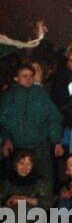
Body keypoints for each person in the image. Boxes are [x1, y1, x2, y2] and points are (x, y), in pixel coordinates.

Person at [0, 61, 65, 196]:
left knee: (45, 180)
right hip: (17, 147)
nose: (29, 79)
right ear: (16, 78)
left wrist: (56, 141)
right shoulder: (7, 97)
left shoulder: (41, 94)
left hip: (40, 145)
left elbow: (54, 118)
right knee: (15, 181)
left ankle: (43, 208)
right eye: (24, 76)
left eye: (31, 76)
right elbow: (2, 121)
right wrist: (6, 139)